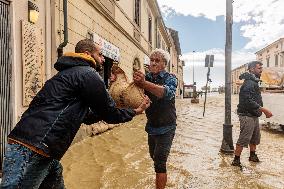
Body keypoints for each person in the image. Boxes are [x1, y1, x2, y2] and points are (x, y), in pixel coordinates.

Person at [0, 39, 150, 188]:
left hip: (41, 148)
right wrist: (136, 111)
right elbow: (109, 113)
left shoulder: (67, 74)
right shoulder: (88, 74)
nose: (103, 59)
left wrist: (114, 108)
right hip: (35, 147)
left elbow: (88, 116)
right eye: (100, 55)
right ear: (87, 54)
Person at [133, 49, 177, 189]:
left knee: (159, 163)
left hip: (167, 127)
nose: (152, 63)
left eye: (157, 61)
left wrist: (144, 83)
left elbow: (166, 93)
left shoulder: (171, 78)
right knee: (154, 157)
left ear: (164, 63)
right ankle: (163, 180)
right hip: (151, 126)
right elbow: (136, 95)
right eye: (151, 60)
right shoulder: (148, 77)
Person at [232, 61, 273, 166]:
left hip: (253, 114)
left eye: (261, 68)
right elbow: (247, 100)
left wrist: (259, 110)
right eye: (259, 68)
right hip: (246, 115)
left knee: (255, 137)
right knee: (244, 137)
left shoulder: (253, 81)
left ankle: (252, 156)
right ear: (251, 69)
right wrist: (263, 109)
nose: (261, 70)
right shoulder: (249, 82)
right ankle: (236, 160)